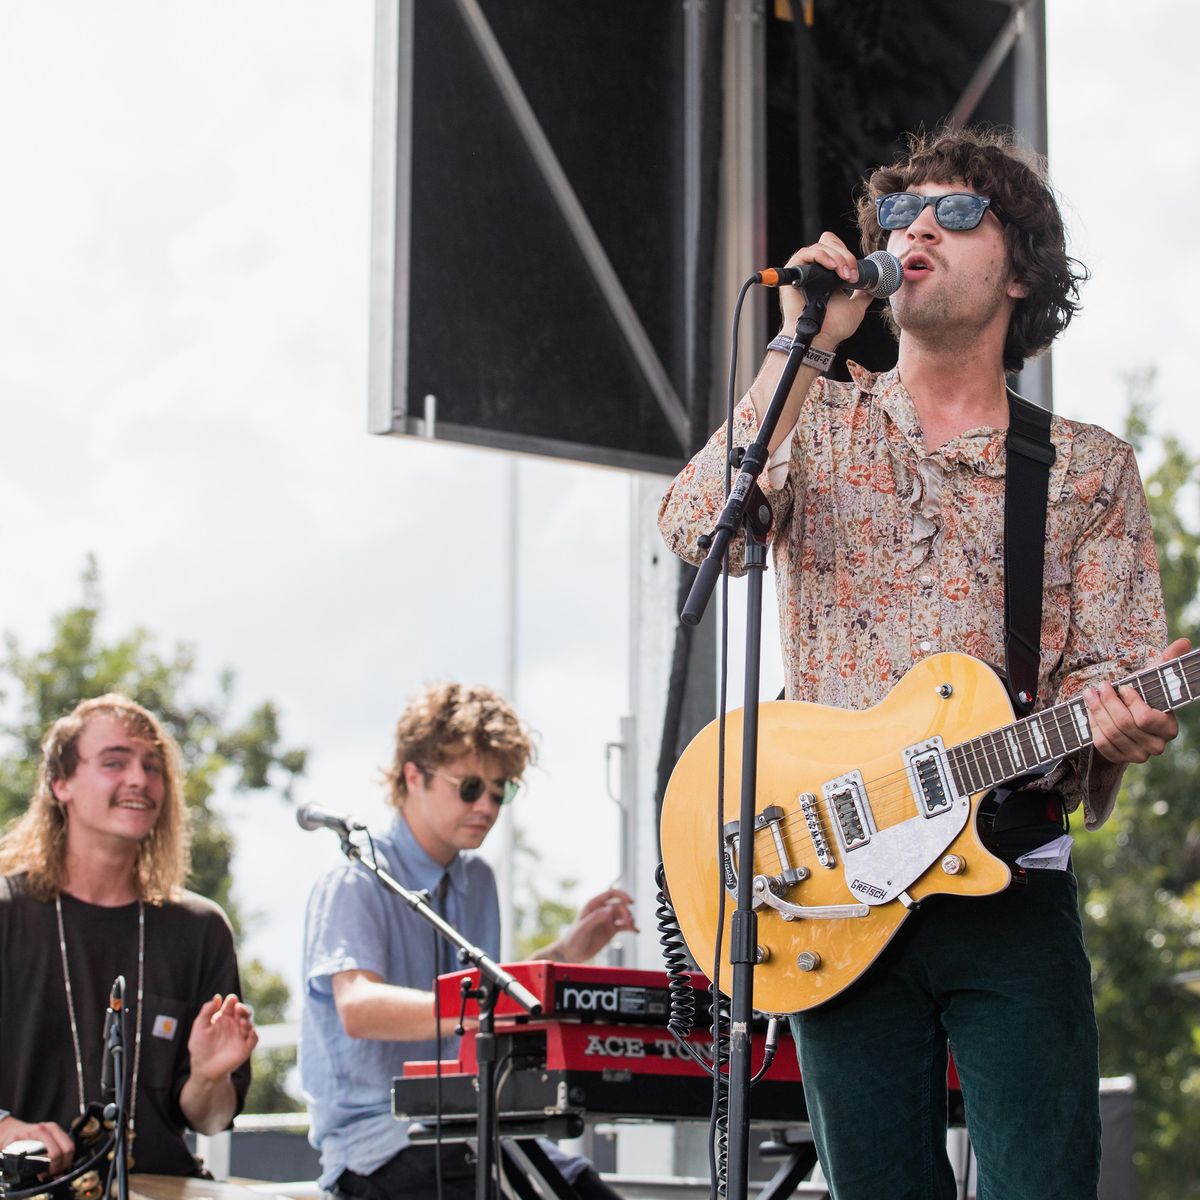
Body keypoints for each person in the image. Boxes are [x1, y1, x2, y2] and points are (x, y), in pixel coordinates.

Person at [657, 125, 1188, 1200]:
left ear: (1021, 269)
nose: (919, 231)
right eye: (902, 214)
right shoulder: (818, 420)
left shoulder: (1085, 469)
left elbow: (1109, 673)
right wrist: (800, 345)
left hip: (1009, 876)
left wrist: (1121, 719)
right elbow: (697, 523)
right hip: (828, 889)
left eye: (957, 213)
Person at [300, 682, 636, 1200]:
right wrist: (482, 1006)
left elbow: (488, 996)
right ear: (414, 776)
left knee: (584, 1190)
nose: (487, 806)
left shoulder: (478, 881)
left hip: (477, 1128)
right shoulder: (357, 880)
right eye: (471, 787)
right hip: (381, 1144)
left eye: (501, 791)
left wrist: (567, 953)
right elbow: (358, 1007)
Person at [0, 694, 257, 1179]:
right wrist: (5, 1129)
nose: (140, 779)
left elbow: (210, 1118)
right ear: (60, 783)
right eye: (115, 762)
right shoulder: (7, 912)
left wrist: (209, 1075)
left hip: (160, 1185)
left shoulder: (200, 928)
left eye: (152, 766)